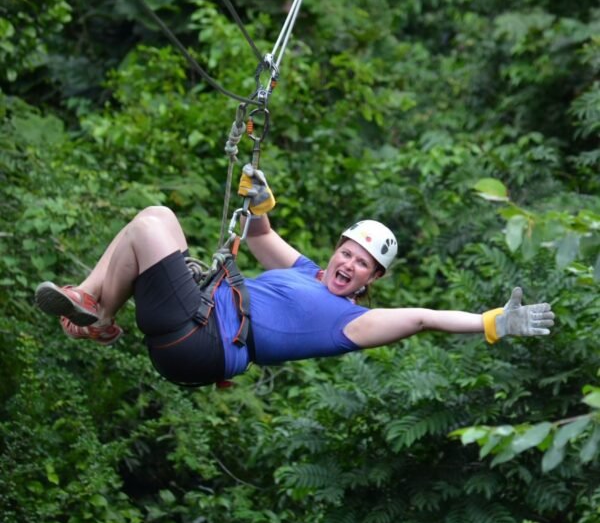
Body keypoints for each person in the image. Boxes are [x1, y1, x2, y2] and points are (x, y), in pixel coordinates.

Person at [35, 166, 555, 387]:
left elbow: (421, 319)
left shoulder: (351, 322)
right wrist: (259, 195)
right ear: (335, 252)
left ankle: (98, 311)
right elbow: (260, 237)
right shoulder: (306, 272)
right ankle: (94, 310)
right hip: (188, 328)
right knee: (145, 224)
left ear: (369, 280)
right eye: (347, 253)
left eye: (361, 266)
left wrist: (492, 322)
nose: (348, 266)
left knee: (155, 223)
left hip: (202, 339)